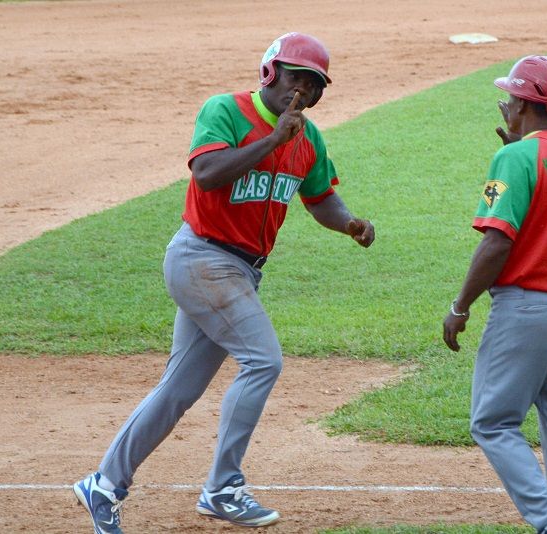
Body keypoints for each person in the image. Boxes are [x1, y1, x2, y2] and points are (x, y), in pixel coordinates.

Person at [73, 32, 375, 532]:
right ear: (270, 73)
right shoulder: (226, 111)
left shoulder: (309, 139)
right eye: (294, 77)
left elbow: (320, 198)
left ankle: (103, 483)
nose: (301, 90)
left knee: (179, 389)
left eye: (313, 83)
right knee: (263, 360)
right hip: (202, 259)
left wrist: (349, 223)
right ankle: (223, 487)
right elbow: (207, 173)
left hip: (238, 272)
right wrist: (273, 138)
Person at [442, 55, 547, 534]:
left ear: (526, 104)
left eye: (510, 96)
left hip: (526, 309)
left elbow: (498, 241)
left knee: (491, 422)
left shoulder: (514, 157)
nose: (505, 105)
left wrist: (460, 306)